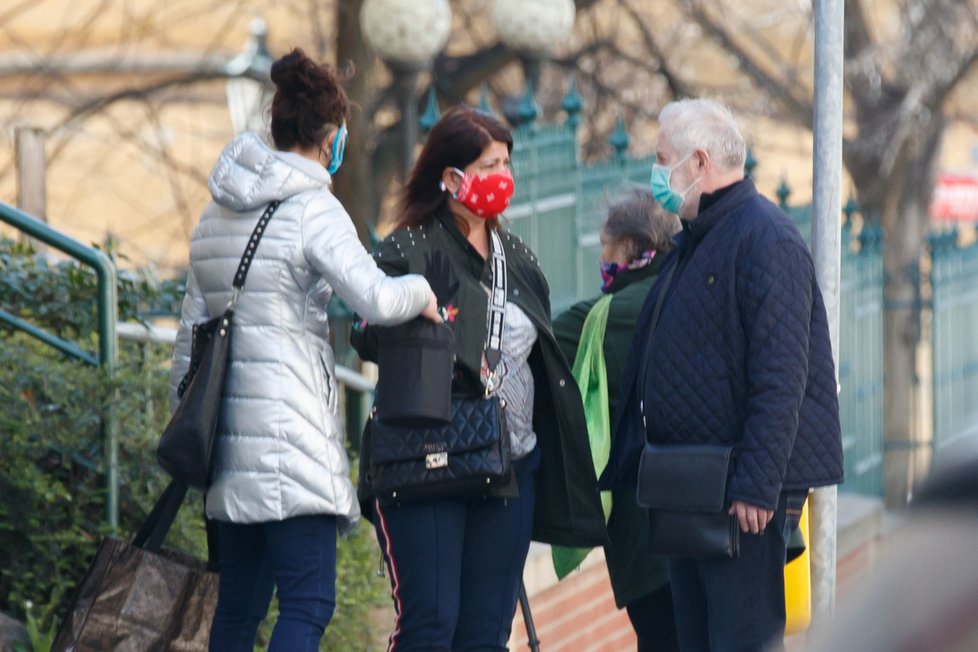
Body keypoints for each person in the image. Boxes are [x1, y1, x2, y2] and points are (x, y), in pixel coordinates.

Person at [168, 48, 440, 652]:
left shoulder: (216, 213)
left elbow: (191, 334)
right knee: (309, 602)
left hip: (226, 445)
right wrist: (421, 290)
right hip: (290, 440)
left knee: (237, 610)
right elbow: (373, 296)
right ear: (331, 136)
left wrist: (189, 423)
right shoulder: (314, 209)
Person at [351, 106, 606, 651]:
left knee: (486, 633)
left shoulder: (517, 256)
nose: (504, 177)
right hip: (427, 461)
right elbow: (364, 331)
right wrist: (427, 307)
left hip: (509, 463)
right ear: (451, 177)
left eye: (507, 163)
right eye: (491, 164)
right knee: (430, 627)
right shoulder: (407, 249)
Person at [600, 98, 844, 651]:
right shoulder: (702, 239)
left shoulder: (765, 238)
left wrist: (757, 485)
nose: (657, 174)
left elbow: (781, 376)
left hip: (741, 498)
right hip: (691, 488)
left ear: (700, 163)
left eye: (664, 160)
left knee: (743, 638)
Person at [553, 188, 681, 652]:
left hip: (643, 533)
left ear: (633, 249)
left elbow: (533, 351)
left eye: (607, 249)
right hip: (719, 518)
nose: (602, 260)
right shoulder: (700, 290)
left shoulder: (600, 319)